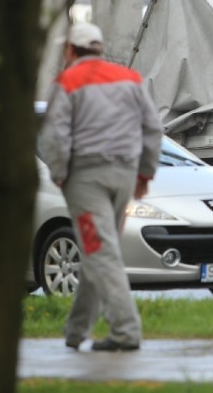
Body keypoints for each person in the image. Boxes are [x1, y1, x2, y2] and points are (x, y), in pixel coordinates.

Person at [38, 22, 163, 352]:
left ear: (70, 51)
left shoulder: (67, 82)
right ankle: (76, 331)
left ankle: (126, 331)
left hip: (86, 178)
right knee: (100, 250)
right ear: (99, 48)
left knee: (99, 252)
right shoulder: (129, 79)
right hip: (124, 175)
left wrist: (60, 173)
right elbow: (152, 129)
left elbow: (54, 136)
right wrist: (144, 173)